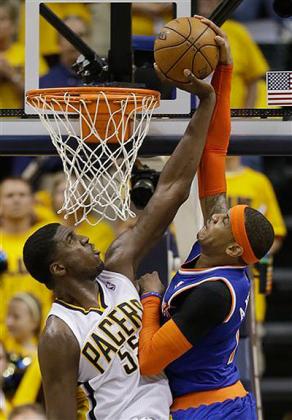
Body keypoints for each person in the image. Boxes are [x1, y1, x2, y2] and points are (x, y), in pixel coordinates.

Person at [22, 47, 217, 418]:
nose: (86, 238)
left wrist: (205, 104)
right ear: (58, 268)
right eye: (72, 242)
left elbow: (171, 190)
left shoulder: (118, 267)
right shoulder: (59, 333)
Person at [137, 17, 274, 420]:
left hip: (212, 411)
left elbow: (149, 360)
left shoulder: (213, 293)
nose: (213, 216)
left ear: (233, 247)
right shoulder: (216, 250)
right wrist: (221, 76)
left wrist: (150, 299)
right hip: (210, 403)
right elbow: (214, 150)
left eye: (221, 220)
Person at [0, 177, 53, 341]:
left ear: (32, 202)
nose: (16, 200)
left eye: (22, 195)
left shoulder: (47, 240)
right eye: (9, 196)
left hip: (43, 333)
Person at [198, 0, 269, 108]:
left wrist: (245, 117)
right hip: (193, 116)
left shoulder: (238, 31)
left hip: (233, 116)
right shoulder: (179, 30)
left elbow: (254, 79)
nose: (207, 1)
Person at [3, 294, 42, 409]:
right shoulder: (3, 346)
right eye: (8, 315)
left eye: (16, 317)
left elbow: (23, 402)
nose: (8, 322)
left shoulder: (38, 359)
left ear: (34, 322)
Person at [39, 16, 90, 89]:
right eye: (68, 36)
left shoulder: (103, 81)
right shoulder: (44, 85)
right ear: (58, 42)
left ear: (89, 39)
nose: (76, 41)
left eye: (81, 35)